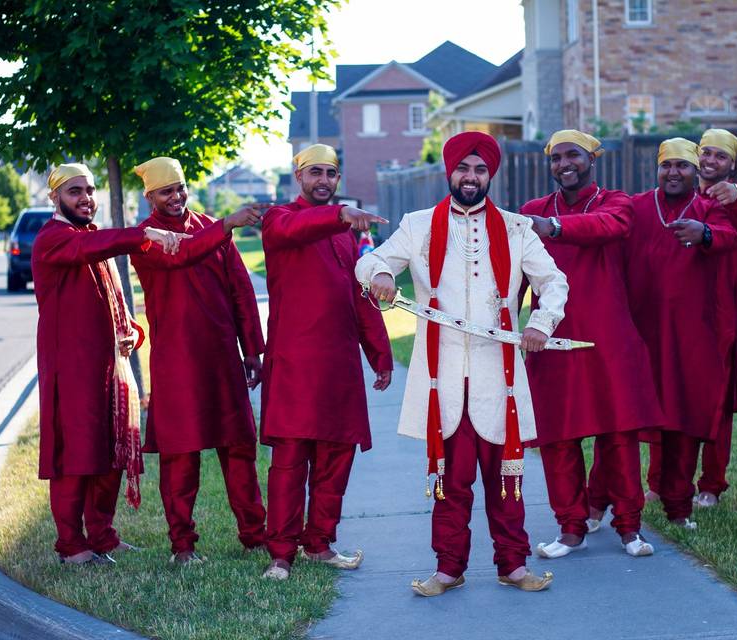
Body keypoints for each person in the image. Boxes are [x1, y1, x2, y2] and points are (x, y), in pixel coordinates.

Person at [358, 131, 568, 596]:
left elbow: (554, 281)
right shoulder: (419, 225)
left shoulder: (517, 228)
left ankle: (512, 565)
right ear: (449, 172)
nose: (470, 178)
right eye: (463, 169)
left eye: (480, 170)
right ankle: (448, 569)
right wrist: (385, 274)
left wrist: (542, 323)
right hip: (443, 376)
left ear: (489, 174)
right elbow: (369, 262)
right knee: (451, 483)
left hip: (500, 376)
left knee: (505, 479)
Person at [520, 130, 665, 559]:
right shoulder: (532, 212)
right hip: (551, 339)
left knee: (617, 434)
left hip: (610, 340)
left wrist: (555, 227)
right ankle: (570, 528)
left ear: (592, 160)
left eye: (574, 156)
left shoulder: (614, 203)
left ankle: (629, 528)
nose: (565, 164)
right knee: (558, 439)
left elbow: (611, 226)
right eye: (557, 158)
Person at [32, 162, 187, 564]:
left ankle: (102, 535)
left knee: (109, 454)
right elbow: (89, 251)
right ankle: (71, 545)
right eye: (74, 191)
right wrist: (142, 234)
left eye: (90, 190)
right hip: (72, 370)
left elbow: (110, 295)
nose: (85, 198)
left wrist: (131, 328)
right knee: (75, 458)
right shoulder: (52, 238)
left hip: (108, 367)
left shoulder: (92, 236)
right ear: (54, 198)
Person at [259, 144, 394, 580]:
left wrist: (380, 353)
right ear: (298, 177)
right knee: (290, 462)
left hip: (339, 368)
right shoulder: (279, 218)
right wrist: (338, 215)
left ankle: (319, 543)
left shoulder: (345, 234)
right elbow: (294, 231)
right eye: (315, 172)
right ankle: (281, 554)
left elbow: (360, 296)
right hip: (295, 365)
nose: (323, 180)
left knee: (337, 459)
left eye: (331, 174)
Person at [130, 157, 269, 564]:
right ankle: (183, 546)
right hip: (177, 363)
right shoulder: (146, 235)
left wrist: (252, 350)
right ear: (150, 196)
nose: (176, 197)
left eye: (180, 188)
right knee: (180, 457)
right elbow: (182, 255)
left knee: (239, 448)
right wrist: (226, 224)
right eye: (165, 191)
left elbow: (241, 290)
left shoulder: (209, 225)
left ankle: (254, 535)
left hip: (223, 357)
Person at [624, 139, 737, 528]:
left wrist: (703, 233)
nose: (674, 172)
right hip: (643, 331)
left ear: (696, 171)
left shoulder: (711, 208)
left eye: (683, 166)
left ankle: (679, 501)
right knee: (635, 413)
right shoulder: (637, 206)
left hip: (693, 331)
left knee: (685, 415)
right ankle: (614, 500)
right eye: (666, 165)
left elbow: (729, 235)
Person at [695, 129, 737, 507]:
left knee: (717, 401)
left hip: (720, 317)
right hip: (681, 315)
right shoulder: (682, 195)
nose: (710, 161)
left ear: (732, 164)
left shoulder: (736, 201)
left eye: (720, 156)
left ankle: (711, 485)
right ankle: (660, 481)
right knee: (672, 395)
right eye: (706, 152)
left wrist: (736, 196)